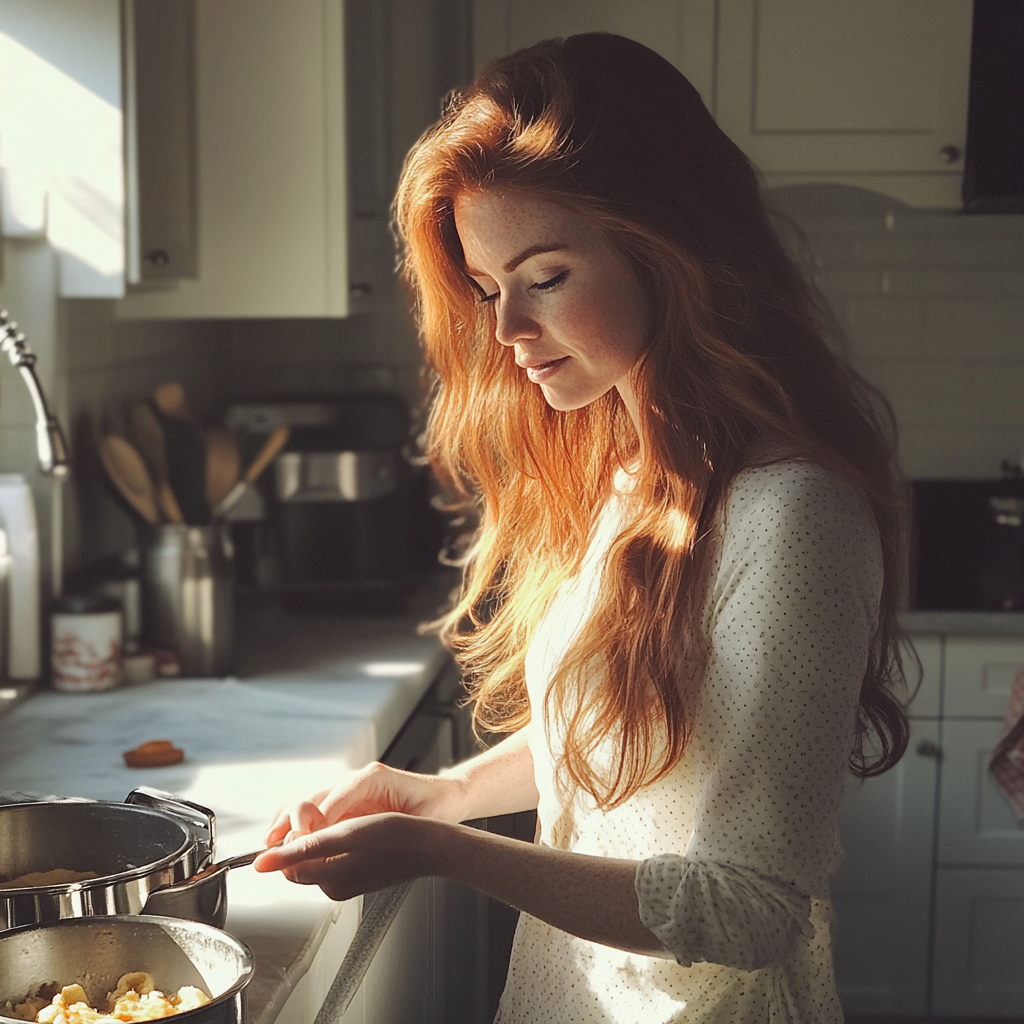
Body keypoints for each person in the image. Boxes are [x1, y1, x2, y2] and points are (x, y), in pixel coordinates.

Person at [254, 32, 911, 1023]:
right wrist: (439, 794)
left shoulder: (792, 514)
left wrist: (441, 849)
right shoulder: (623, 472)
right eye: (487, 290)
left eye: (546, 276)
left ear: (671, 246)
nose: (508, 330)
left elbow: (749, 909)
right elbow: (632, 733)